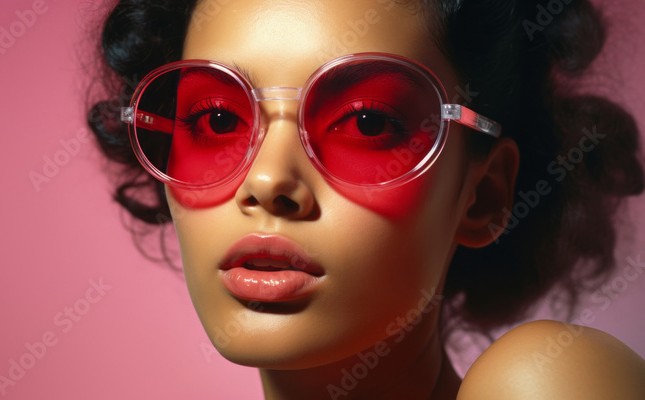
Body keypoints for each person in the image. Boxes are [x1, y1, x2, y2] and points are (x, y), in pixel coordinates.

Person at [85, 0, 645, 398]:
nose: (267, 182)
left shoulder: (548, 381)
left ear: (483, 195)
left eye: (368, 122)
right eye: (217, 118)